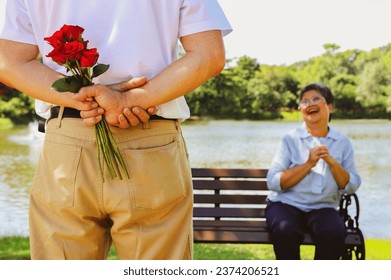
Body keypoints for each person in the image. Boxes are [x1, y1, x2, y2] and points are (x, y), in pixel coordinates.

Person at [0, 0, 232, 260]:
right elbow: (208, 55)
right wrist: (131, 100)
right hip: (150, 138)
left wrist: (82, 97)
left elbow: (10, 62)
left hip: (68, 144)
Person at [265, 83, 361, 260]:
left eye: (316, 99)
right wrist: (309, 163)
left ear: (330, 107)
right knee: (285, 230)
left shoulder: (342, 142)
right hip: (286, 204)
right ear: (301, 110)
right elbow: (273, 181)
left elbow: (351, 185)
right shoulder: (290, 139)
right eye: (305, 101)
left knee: (334, 232)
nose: (310, 104)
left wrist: (332, 163)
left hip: (323, 206)